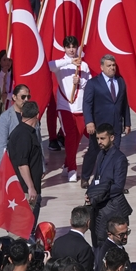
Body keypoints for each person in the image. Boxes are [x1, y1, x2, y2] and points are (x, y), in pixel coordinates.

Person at [81, 55, 131, 187]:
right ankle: (85, 176)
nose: (112, 68)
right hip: (99, 125)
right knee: (94, 151)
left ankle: (112, 182)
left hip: (116, 125)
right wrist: (89, 121)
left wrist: (127, 122)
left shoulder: (120, 81)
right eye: (109, 66)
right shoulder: (93, 83)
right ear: (102, 67)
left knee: (114, 153)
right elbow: (87, 104)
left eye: (113, 65)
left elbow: (124, 103)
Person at [86, 125, 131, 263]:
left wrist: (98, 195)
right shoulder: (101, 155)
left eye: (102, 138)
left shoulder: (119, 158)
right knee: (97, 244)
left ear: (112, 138)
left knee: (108, 246)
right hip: (98, 207)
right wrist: (90, 193)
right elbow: (96, 178)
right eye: (98, 138)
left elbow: (118, 186)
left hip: (112, 208)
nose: (99, 141)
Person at [51, 37, 93, 181]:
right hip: (65, 107)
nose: (71, 49)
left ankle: (67, 163)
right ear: (64, 48)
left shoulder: (85, 65)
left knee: (78, 137)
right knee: (70, 136)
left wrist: (80, 81)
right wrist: (70, 61)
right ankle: (72, 170)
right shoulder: (61, 64)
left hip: (80, 107)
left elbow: (89, 85)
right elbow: (49, 66)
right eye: (68, 46)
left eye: (73, 46)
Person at [4, 102, 44, 219]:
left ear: (21, 114)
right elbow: (22, 164)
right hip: (25, 192)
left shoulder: (24, 132)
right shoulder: (24, 135)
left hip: (28, 189)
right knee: (23, 229)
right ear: (37, 115)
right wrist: (31, 187)